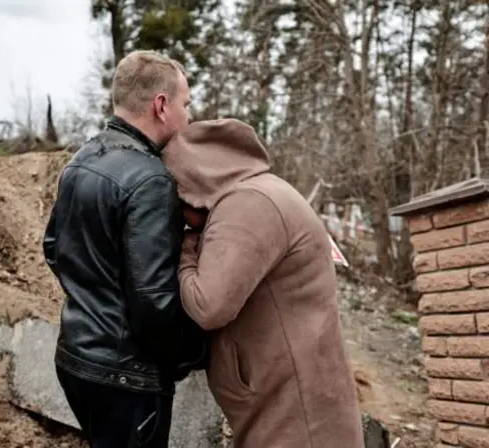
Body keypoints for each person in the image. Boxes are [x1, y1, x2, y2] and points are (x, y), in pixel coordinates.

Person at [162, 118, 365, 448]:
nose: (178, 211)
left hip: (295, 415)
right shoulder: (260, 193)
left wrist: (184, 250)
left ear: (196, 183)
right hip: (289, 403)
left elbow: (207, 305)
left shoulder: (249, 204)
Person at [42, 50, 208, 448]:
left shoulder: (82, 159)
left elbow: (53, 247)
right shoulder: (152, 180)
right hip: (126, 378)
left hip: (76, 359)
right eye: (186, 104)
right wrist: (192, 355)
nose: (189, 116)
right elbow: (154, 302)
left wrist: (95, 291)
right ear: (161, 105)